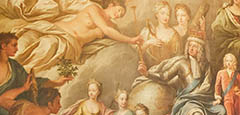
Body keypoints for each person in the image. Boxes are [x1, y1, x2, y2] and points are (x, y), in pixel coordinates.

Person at [136, 36, 227, 115]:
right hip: (186, 101)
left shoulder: (206, 66)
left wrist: (196, 95)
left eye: (195, 46)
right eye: (190, 45)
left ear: (200, 49)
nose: (191, 48)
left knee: (221, 110)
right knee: (196, 114)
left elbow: (207, 85)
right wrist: (147, 73)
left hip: (202, 99)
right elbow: (165, 76)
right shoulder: (181, 63)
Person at [12, 0, 143, 72]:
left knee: (48, 46)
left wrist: (133, 40)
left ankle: (19, 72)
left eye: (121, 15)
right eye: (119, 10)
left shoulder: (112, 27)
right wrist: (131, 39)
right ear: (111, 4)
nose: (119, 15)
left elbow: (113, 35)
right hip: (57, 29)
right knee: (23, 42)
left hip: (68, 43)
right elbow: (106, 29)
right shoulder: (94, 8)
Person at [0, 33, 72, 115]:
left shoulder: (14, 66)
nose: (17, 49)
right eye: (14, 45)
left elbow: (31, 83)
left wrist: (56, 83)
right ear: (3, 46)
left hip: (7, 107)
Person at [139, 1, 181, 68]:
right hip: (150, 70)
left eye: (168, 14)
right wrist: (148, 43)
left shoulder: (174, 34)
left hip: (168, 70)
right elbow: (138, 52)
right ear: (156, 14)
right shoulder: (148, 32)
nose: (165, 16)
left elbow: (178, 56)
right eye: (162, 13)